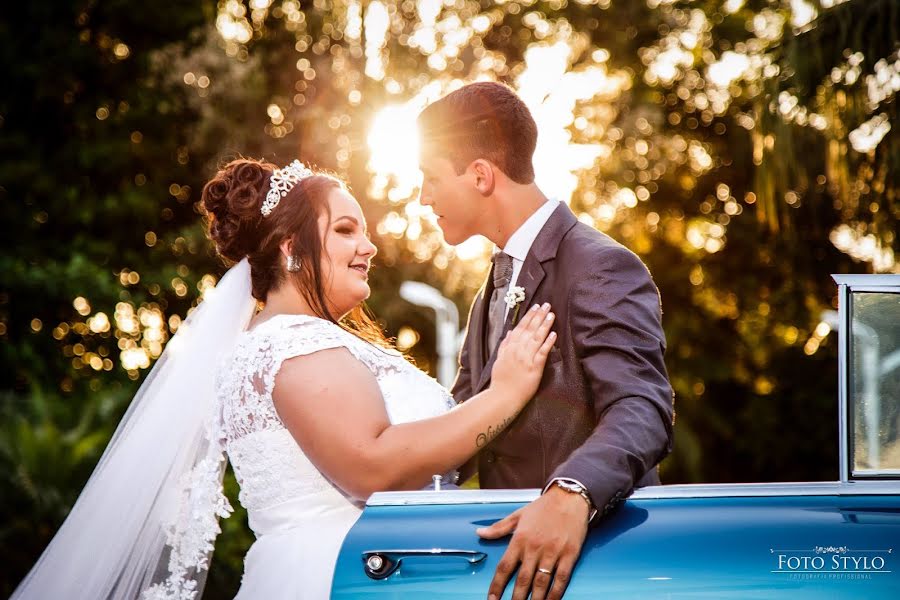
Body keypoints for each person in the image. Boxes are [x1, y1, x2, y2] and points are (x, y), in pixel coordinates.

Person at [10, 158, 557, 600]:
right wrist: (505, 395)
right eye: (345, 230)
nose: (369, 248)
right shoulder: (290, 343)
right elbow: (373, 467)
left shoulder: (294, 341)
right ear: (291, 249)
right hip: (332, 578)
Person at [417, 81, 675, 600]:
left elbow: (642, 405)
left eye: (429, 178)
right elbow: (467, 423)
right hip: (519, 571)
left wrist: (569, 493)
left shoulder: (600, 264)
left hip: (600, 566)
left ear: (482, 176)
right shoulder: (489, 288)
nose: (423, 198)